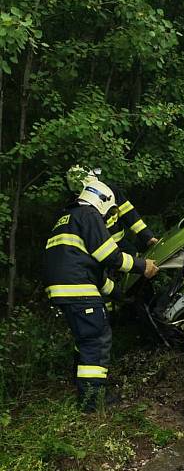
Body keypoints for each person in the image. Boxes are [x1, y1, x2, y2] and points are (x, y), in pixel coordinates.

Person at [45, 180, 159, 411]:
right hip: (78, 288)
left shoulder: (67, 218)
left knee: (85, 337)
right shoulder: (89, 215)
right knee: (97, 339)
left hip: (64, 289)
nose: (109, 218)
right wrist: (142, 266)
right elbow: (110, 256)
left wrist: (120, 295)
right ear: (103, 201)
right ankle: (92, 401)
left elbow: (94, 272)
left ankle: (80, 383)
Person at [66, 166, 158, 254]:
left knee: (134, 258)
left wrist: (147, 236)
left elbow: (129, 214)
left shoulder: (111, 191)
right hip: (101, 250)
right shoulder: (76, 207)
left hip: (121, 243)